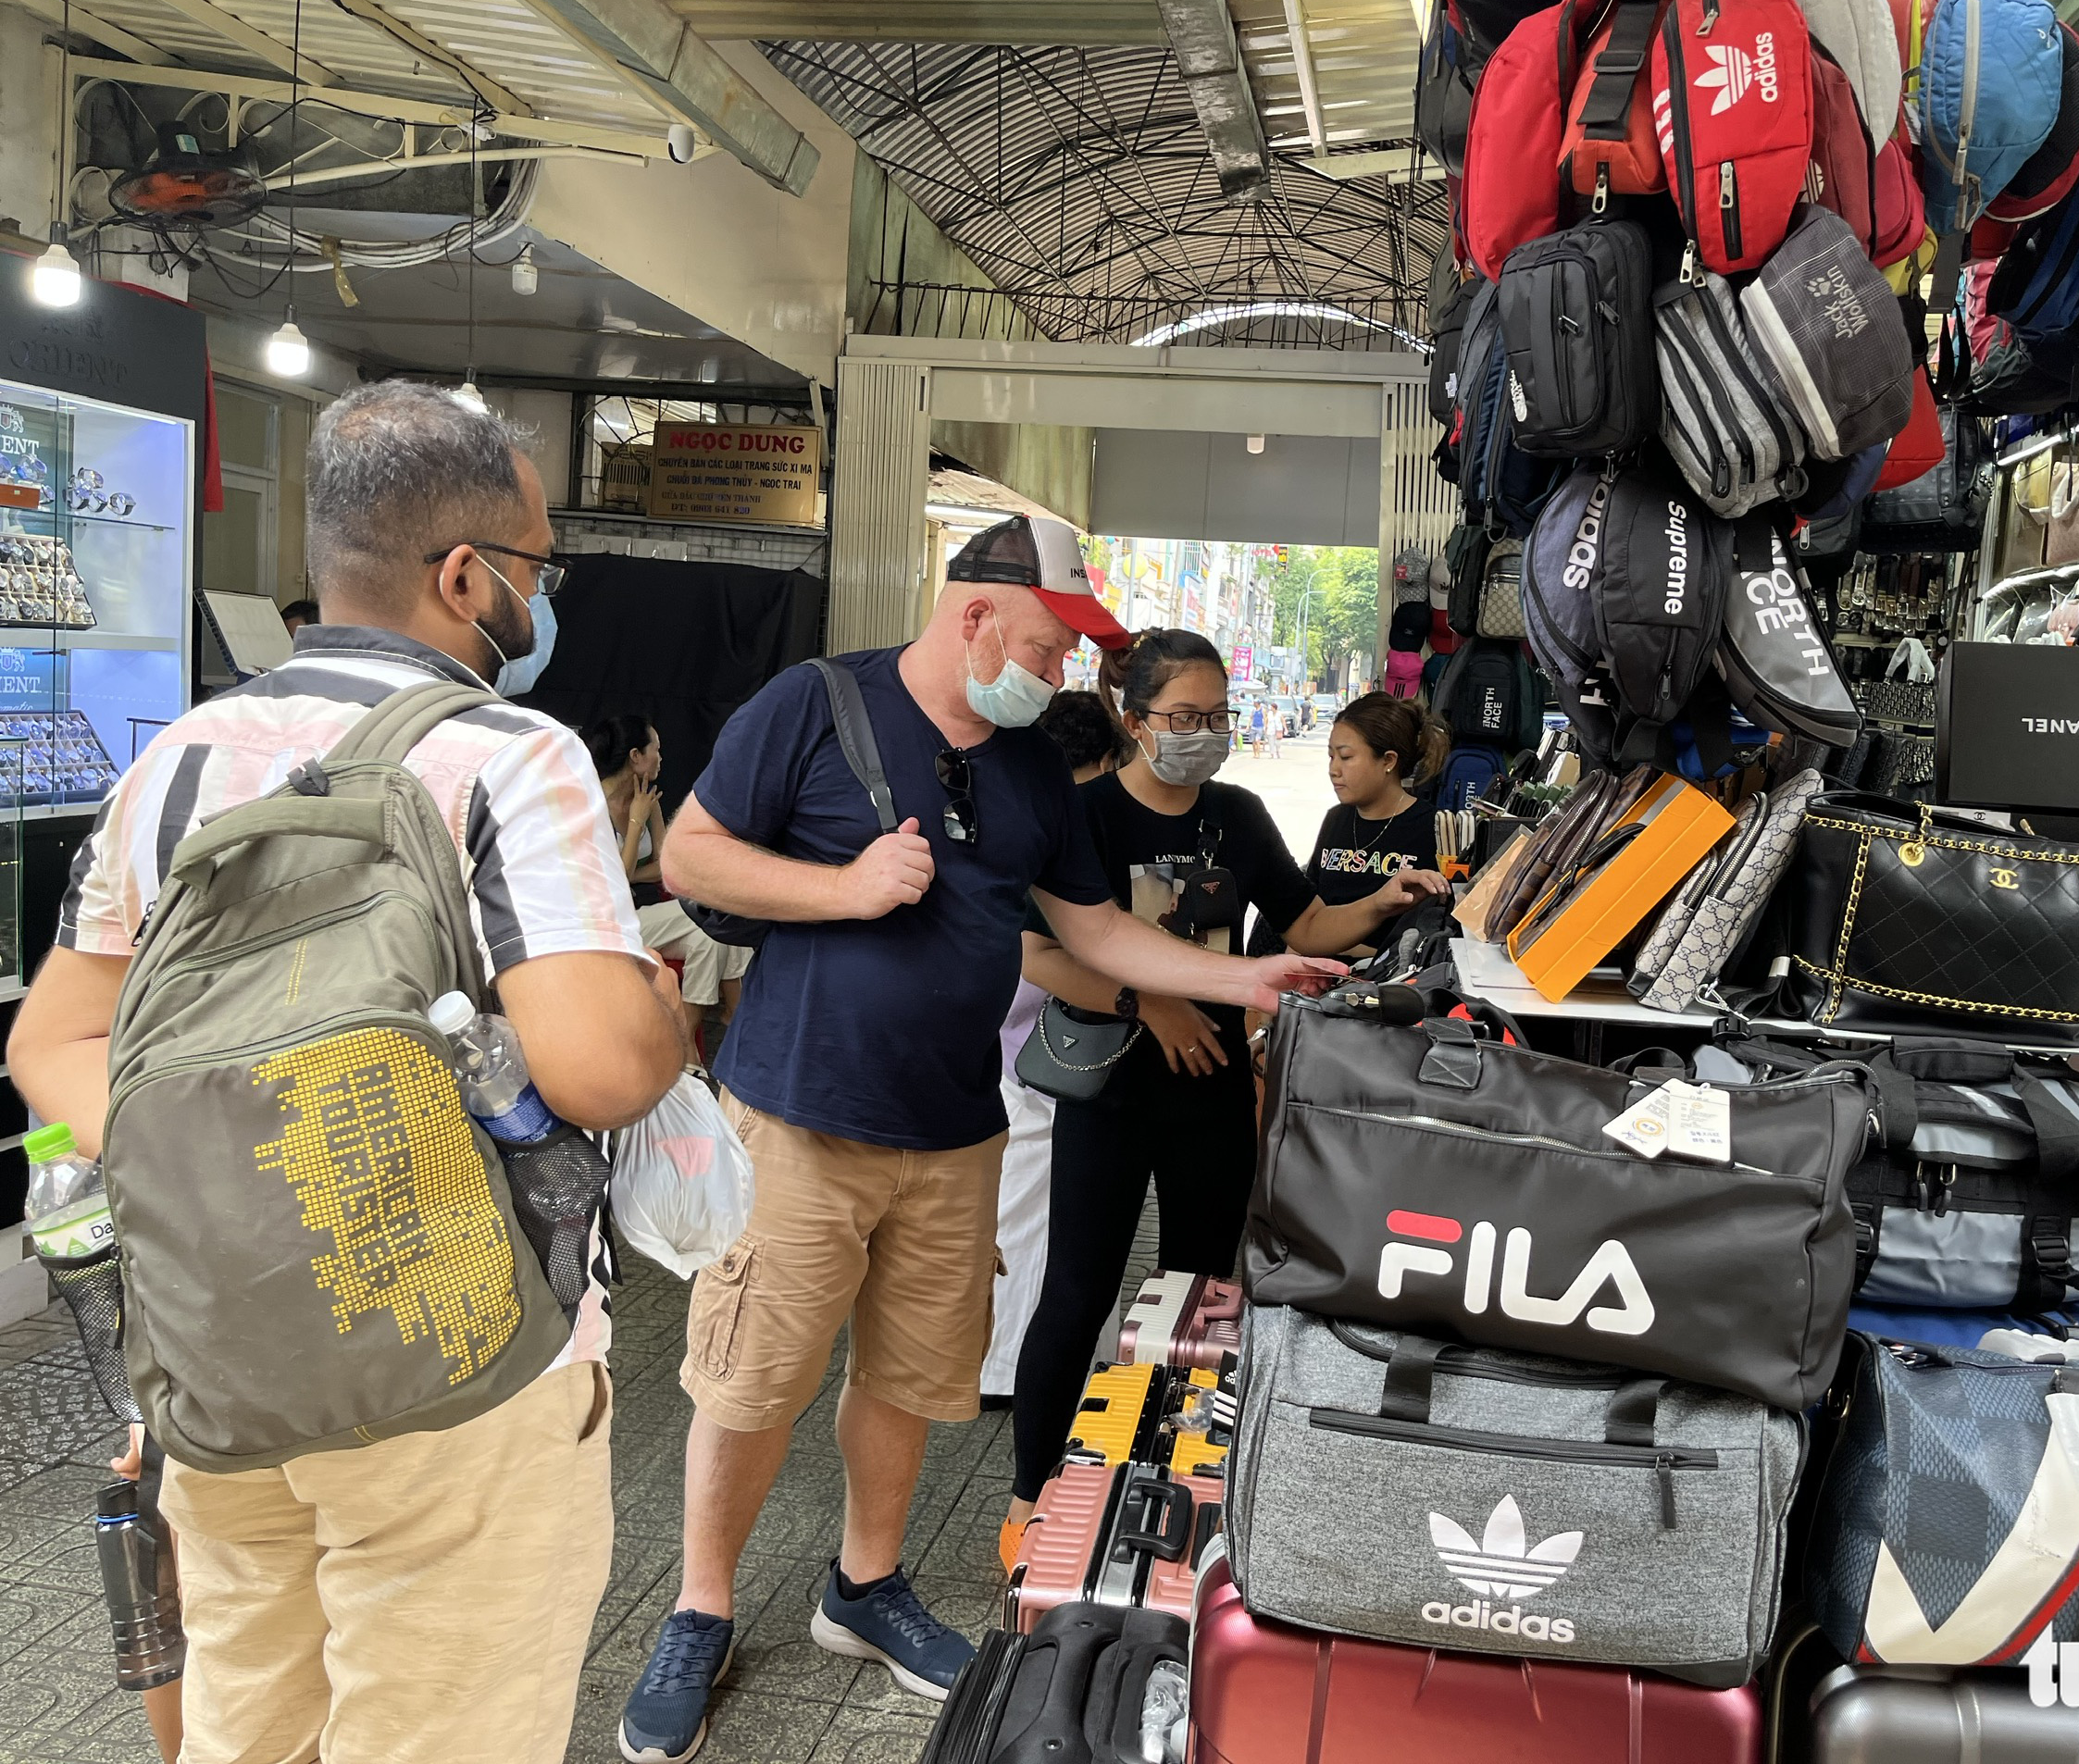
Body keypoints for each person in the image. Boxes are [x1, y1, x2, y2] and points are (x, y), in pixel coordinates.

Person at [9, 380, 687, 1764]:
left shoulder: (179, 761)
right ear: (464, 575)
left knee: (249, 1708)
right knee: (445, 1720)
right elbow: (602, 1071)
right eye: (535, 567)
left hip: (220, 1360)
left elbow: (53, 1041)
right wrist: (661, 1016)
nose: (538, 600)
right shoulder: (509, 754)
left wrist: (241, 1179)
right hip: (453, 1359)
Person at [623, 516, 1343, 1760]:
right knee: (753, 1377)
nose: (1063, 674)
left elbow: (1102, 936)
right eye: (1055, 645)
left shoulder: (1023, 774)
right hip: (801, 1115)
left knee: (910, 1377)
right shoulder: (815, 704)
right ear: (975, 616)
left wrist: (1253, 979)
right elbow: (692, 855)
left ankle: (866, 1584)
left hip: (955, 1130)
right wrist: (841, 888)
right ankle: (699, 1606)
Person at [999, 629, 1449, 1564]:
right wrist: (1149, 1002)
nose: (1203, 734)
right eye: (1183, 717)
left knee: (1204, 1300)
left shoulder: (1237, 817)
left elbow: (1304, 919)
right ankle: (1028, 1498)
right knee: (1077, 1293)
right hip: (1108, 1089)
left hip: (1210, 1093)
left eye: (1216, 717)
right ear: (1133, 721)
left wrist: (1383, 903)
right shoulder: (1079, 818)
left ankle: (1179, 1480)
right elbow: (1041, 953)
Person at [983, 690, 1125, 1404]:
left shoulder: (1010, 800)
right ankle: (1009, 1364)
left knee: (1020, 1204)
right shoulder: (1074, 822)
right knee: (1032, 1208)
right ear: (1102, 761)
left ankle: (1010, 1357)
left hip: (1001, 1034)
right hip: (1038, 1043)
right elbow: (1048, 951)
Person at [584, 714, 750, 1052]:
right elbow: (612, 882)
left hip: (642, 913)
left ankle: (687, 1039)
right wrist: (635, 823)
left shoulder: (646, 798)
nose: (661, 757)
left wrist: (628, 870)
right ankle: (733, 1017)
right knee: (718, 909)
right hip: (605, 923)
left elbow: (663, 867)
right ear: (635, 756)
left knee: (711, 939)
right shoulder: (590, 804)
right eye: (655, 749)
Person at [1247, 691, 1448, 961]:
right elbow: (1309, 912)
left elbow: (1428, 933)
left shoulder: (1435, 828)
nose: (1333, 769)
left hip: (1384, 982)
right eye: (1331, 757)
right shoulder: (1336, 819)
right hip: (1311, 976)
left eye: (1346, 757)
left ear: (1388, 761)